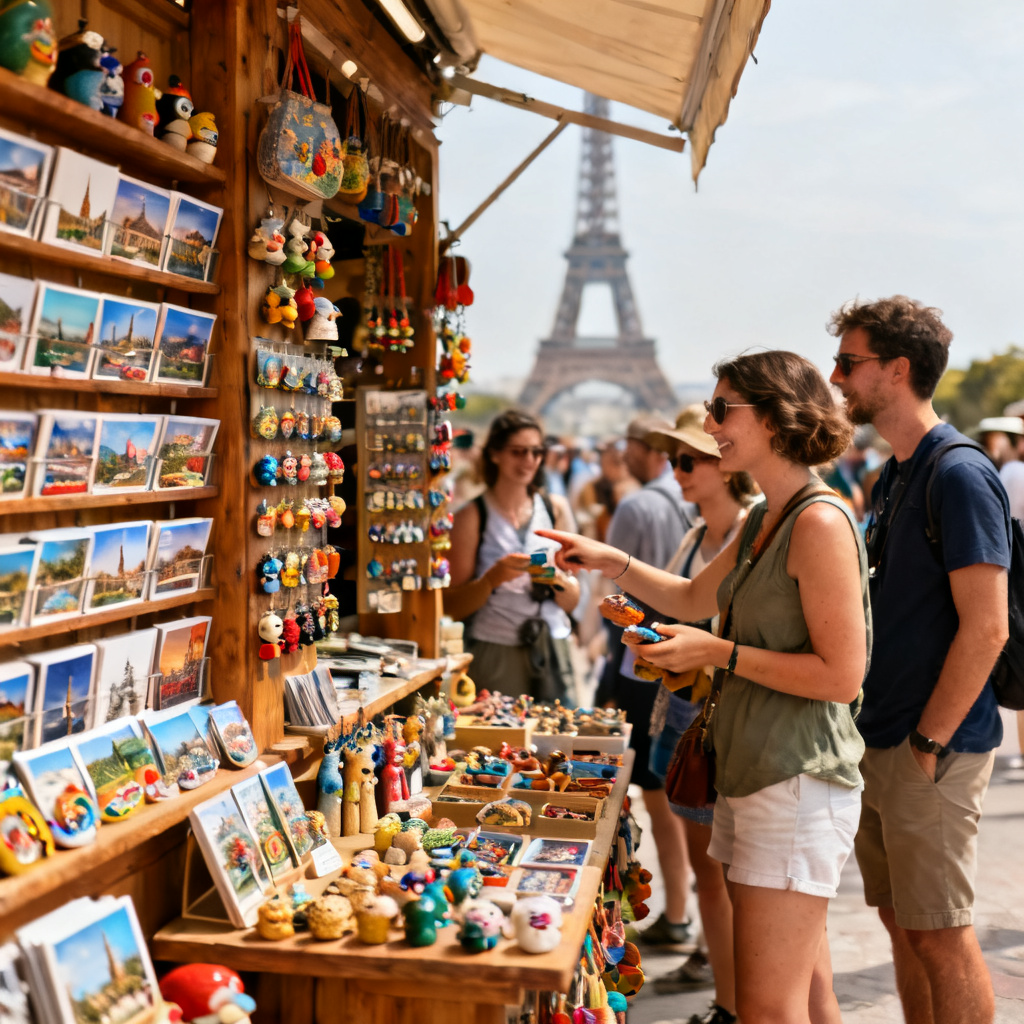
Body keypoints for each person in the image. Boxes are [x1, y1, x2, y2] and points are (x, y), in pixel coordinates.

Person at [539, 351, 870, 1024]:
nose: (711, 424)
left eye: (723, 410)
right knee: (806, 997)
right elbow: (692, 595)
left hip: (793, 778)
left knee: (767, 1006)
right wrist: (613, 560)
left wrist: (716, 653)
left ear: (776, 417)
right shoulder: (764, 518)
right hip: (762, 771)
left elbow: (843, 676)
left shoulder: (817, 522)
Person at [828, 297, 1011, 1024]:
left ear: (897, 370)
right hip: (892, 736)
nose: (836, 378)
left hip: (930, 744)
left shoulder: (958, 473)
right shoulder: (898, 473)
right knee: (907, 929)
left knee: (941, 936)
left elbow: (987, 627)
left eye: (849, 362)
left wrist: (927, 744)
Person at [645, 407, 760, 1024]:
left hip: (721, 722)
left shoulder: (753, 527)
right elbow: (687, 609)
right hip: (684, 715)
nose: (677, 471)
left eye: (687, 460)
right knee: (704, 874)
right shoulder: (694, 536)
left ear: (724, 463)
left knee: (731, 876)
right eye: (672, 460)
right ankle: (728, 1001)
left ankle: (741, 1000)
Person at [603, 414, 695, 947]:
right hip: (687, 663)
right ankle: (687, 915)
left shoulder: (638, 505)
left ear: (645, 449)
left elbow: (614, 595)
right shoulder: (698, 510)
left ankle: (677, 908)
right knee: (683, 791)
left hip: (643, 662)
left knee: (657, 792)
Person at [445, 409, 580, 701]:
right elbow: (450, 606)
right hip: (496, 650)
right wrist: (492, 580)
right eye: (518, 452)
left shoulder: (555, 508)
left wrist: (557, 580)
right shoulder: (472, 516)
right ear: (495, 454)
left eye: (536, 452)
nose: (529, 461)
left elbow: (572, 600)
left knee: (559, 742)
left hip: (553, 645)